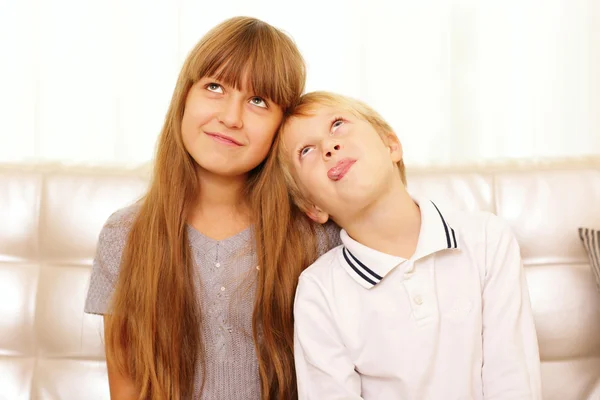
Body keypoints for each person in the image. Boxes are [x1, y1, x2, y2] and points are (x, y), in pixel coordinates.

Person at [84, 17, 338, 400]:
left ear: (281, 125)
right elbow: (128, 389)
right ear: (184, 96)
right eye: (215, 87)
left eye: (258, 101)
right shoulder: (125, 234)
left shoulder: (317, 234)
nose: (231, 118)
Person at [275, 91, 542, 399]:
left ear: (391, 146)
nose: (328, 147)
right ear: (312, 207)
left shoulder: (486, 238)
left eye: (337, 125)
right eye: (306, 150)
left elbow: (512, 380)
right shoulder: (318, 292)